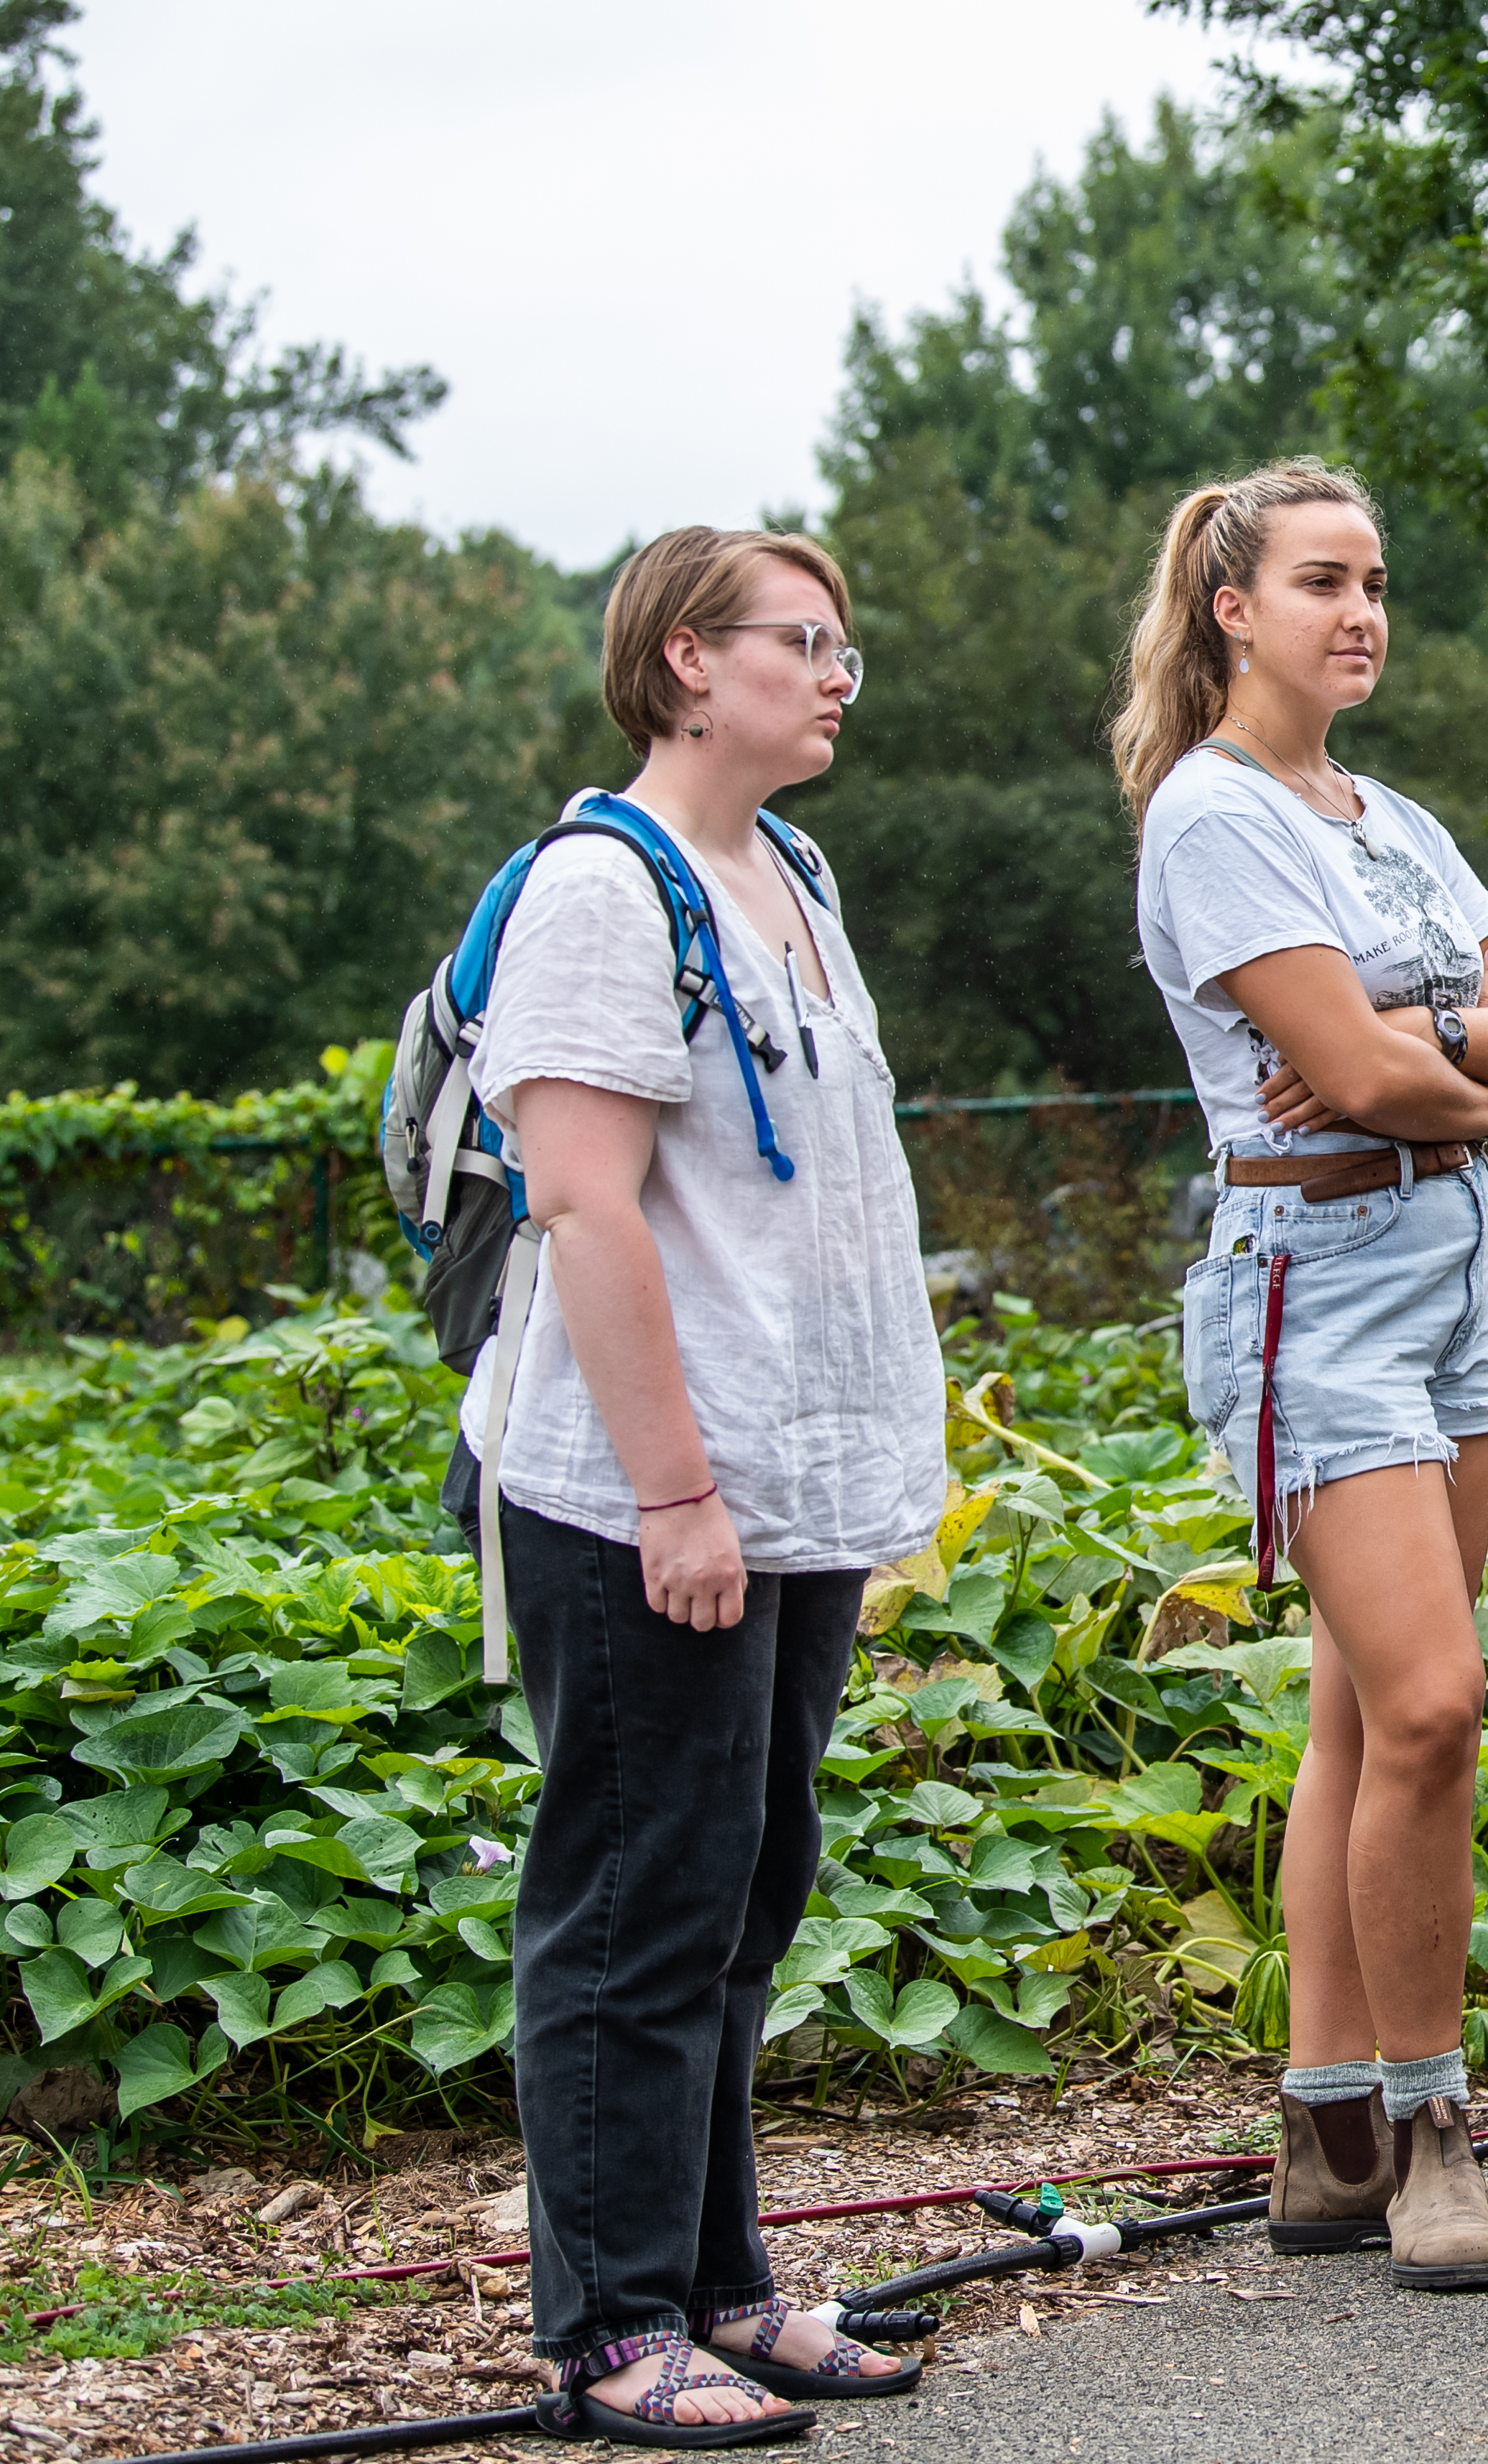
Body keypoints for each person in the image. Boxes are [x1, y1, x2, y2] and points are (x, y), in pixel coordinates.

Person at [471, 527, 946, 2439]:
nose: (840, 673)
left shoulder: (794, 872)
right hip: (646, 1492)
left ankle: (729, 2283)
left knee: (747, 1882)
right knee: (633, 1899)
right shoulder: (606, 887)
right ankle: (610, 2328)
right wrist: (677, 1494)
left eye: (846, 641)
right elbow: (584, 1200)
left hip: (794, 1478)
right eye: (803, 642)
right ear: (686, 663)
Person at [1120, 460, 1488, 2290]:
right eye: (1324, 581)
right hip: (1308, 1278)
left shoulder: (1383, 813)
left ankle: (1323, 2134)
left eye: (1377, 581)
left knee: (1357, 1716)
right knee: (1431, 1705)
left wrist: (1429, 1047)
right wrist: (1447, 1061)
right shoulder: (1213, 815)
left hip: (1442, 1257)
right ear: (1234, 607)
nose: (1363, 612)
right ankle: (1428, 2126)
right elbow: (1377, 1073)